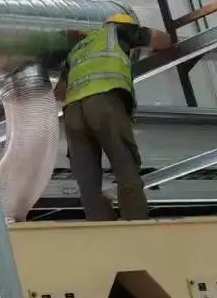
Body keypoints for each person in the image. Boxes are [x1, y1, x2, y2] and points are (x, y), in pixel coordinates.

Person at [54, 14, 172, 222]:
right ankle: (135, 224)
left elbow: (59, 92)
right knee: (125, 166)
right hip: (104, 102)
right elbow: (163, 40)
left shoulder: (78, 48)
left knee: (88, 181)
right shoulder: (120, 31)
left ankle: (102, 227)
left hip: (72, 112)